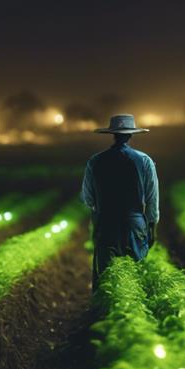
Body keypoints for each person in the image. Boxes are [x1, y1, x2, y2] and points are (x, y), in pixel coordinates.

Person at [80, 114, 159, 291]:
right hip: (135, 224)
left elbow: (88, 198)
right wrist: (152, 227)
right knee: (135, 273)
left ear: (112, 135)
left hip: (106, 223)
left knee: (106, 276)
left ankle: (104, 313)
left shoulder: (96, 161)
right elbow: (152, 198)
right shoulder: (144, 160)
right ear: (131, 135)